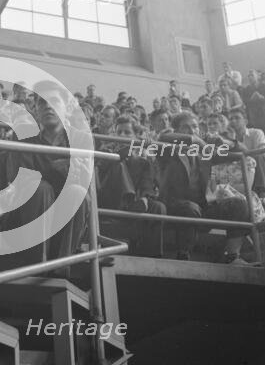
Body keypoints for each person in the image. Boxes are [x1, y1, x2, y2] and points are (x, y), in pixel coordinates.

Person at [0, 80, 92, 268]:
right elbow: (23, 182)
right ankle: (37, 264)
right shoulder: (24, 139)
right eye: (42, 102)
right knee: (40, 189)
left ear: (65, 108)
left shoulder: (80, 139)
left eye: (53, 101)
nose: (47, 106)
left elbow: (83, 180)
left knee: (76, 192)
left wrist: (47, 171)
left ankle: (61, 266)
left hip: (66, 219)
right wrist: (61, 168)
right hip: (28, 221)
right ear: (36, 110)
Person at [158, 112, 249, 264]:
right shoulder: (167, 150)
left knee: (240, 204)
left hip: (202, 209)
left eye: (194, 127)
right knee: (190, 208)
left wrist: (223, 140)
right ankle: (183, 256)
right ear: (177, 131)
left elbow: (242, 152)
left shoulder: (204, 153)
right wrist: (195, 140)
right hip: (173, 208)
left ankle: (232, 256)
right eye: (185, 127)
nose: (192, 130)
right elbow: (162, 138)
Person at [97, 116, 165, 257]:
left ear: (135, 135)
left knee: (158, 208)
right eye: (119, 132)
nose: (122, 136)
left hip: (137, 202)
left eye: (127, 133)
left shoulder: (142, 153)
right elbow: (101, 169)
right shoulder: (107, 149)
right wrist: (128, 150)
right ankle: (131, 201)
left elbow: (151, 178)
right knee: (118, 164)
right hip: (110, 200)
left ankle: (152, 257)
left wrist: (145, 153)